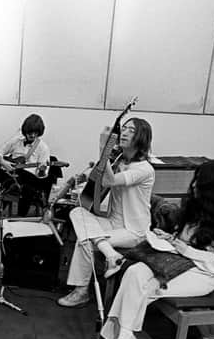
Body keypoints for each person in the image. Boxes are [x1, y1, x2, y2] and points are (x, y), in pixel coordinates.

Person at [88, 160, 214, 339]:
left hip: (203, 274)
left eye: (200, 182)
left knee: (144, 285)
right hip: (176, 260)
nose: (194, 186)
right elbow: (184, 238)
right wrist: (169, 238)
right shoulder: (199, 207)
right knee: (134, 272)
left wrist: (189, 251)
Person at [57, 118, 155, 307]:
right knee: (77, 212)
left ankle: (81, 291)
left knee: (84, 240)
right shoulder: (120, 161)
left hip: (133, 231)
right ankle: (110, 254)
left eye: (131, 130)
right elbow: (101, 177)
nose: (124, 133)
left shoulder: (144, 169)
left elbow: (109, 181)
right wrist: (86, 174)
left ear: (141, 137)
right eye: (124, 128)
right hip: (112, 223)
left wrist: (104, 146)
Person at [0, 113, 51, 216]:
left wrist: (42, 169)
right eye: (30, 132)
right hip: (12, 173)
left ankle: (19, 218)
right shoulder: (16, 141)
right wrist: (3, 162)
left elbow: (43, 175)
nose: (32, 135)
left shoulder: (43, 148)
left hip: (31, 179)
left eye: (35, 133)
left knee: (28, 187)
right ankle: (1, 212)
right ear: (25, 131)